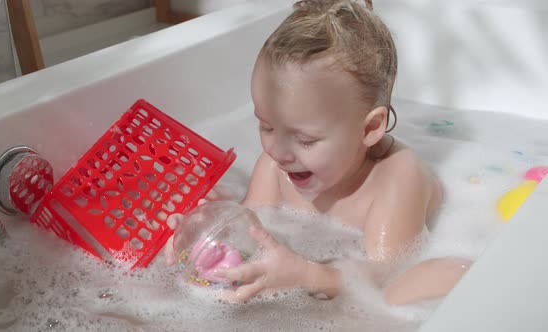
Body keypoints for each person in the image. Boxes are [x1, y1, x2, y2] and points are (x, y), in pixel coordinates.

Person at [165, 0, 471, 305]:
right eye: (267, 126)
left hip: (390, 277)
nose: (278, 151)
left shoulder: (398, 178)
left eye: (305, 139)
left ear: (369, 129)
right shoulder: (276, 166)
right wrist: (210, 226)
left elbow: (384, 277)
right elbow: (255, 230)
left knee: (438, 280)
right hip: (328, 275)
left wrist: (304, 275)